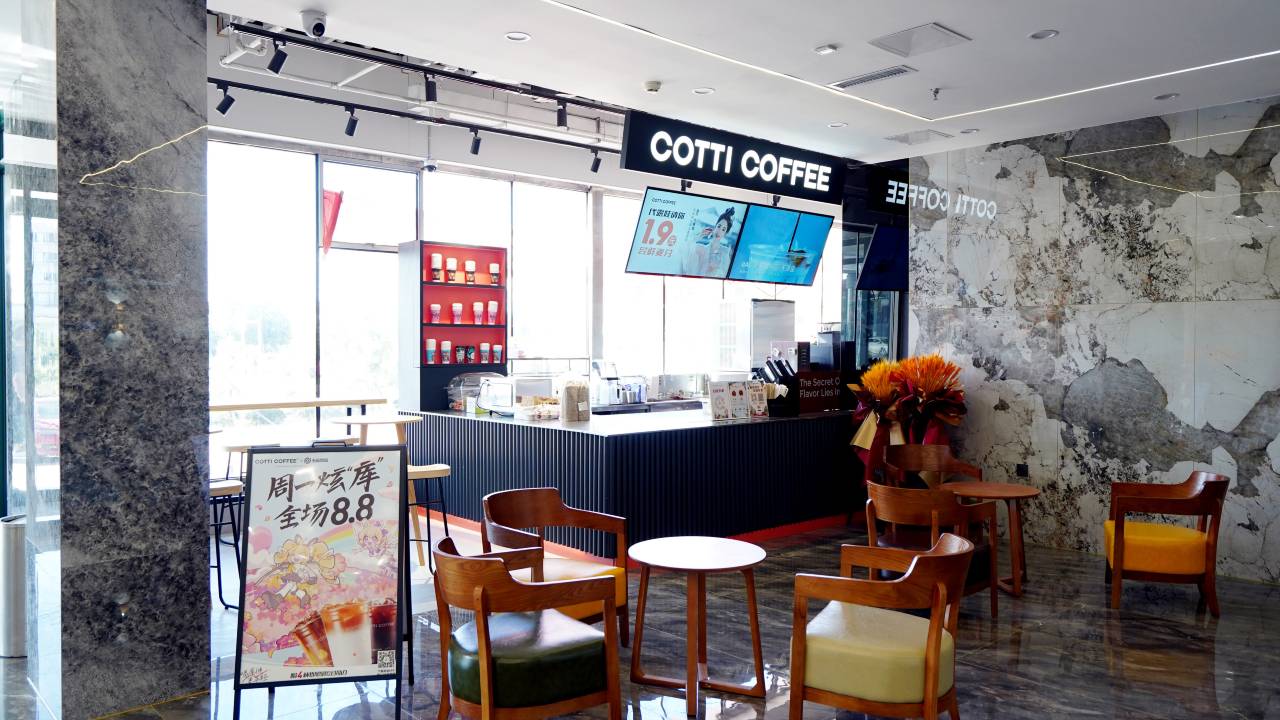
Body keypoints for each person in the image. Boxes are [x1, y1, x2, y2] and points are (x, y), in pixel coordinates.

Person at [681, 206, 735, 277]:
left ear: (725, 233)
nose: (719, 231)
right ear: (715, 227)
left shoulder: (725, 252)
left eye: (723, 229)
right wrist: (699, 236)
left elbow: (726, 274)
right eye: (719, 226)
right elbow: (684, 249)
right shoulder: (702, 248)